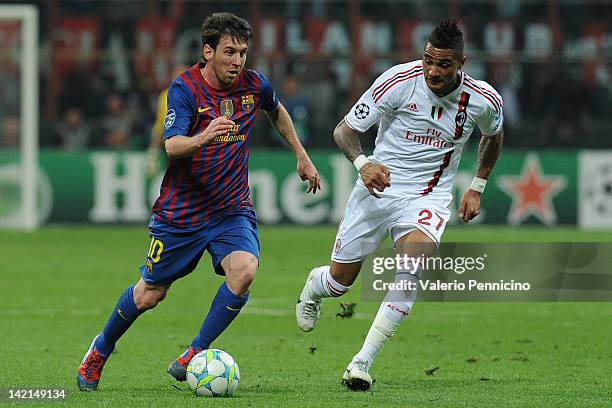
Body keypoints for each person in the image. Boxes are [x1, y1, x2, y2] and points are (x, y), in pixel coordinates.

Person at [77, 12, 321, 391]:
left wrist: (301, 156)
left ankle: (194, 353)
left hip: (231, 210)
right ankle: (100, 349)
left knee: (245, 271)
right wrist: (205, 137)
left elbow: (276, 110)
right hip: (182, 214)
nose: (237, 61)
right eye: (229, 52)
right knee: (150, 293)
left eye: (242, 52)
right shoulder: (185, 89)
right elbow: (172, 146)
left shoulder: (253, 84)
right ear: (208, 51)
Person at [295, 20, 503, 391]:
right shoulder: (397, 81)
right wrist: (364, 164)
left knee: (410, 269)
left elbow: (494, 134)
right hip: (378, 189)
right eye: (428, 61)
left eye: (443, 64)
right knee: (340, 283)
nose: (433, 71)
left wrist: (478, 185)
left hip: (430, 196)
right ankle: (315, 285)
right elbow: (344, 131)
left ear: (461, 63)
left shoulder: (483, 100)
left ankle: (362, 361)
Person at [145, 64, 188, 179]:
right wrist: (153, 152)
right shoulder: (165, 96)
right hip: (173, 148)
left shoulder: (197, 95)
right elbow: (160, 126)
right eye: (176, 77)